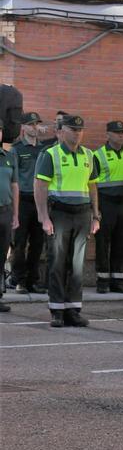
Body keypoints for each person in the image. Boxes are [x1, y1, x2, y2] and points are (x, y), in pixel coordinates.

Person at [34, 114, 100, 328]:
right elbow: (40, 186)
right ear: (61, 132)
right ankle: (56, 311)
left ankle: (73, 310)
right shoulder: (50, 155)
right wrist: (43, 217)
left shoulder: (89, 155)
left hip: (82, 214)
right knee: (57, 262)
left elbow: (92, 186)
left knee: (77, 265)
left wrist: (95, 214)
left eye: (80, 130)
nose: (77, 133)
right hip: (59, 214)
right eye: (72, 129)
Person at [9, 112, 51, 294]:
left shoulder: (44, 149)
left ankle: (33, 280)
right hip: (23, 200)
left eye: (37, 124)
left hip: (40, 201)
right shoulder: (16, 149)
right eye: (31, 124)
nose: (35, 127)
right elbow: (13, 179)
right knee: (19, 243)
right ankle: (18, 279)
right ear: (23, 127)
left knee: (37, 243)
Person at [93, 120, 123, 293]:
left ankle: (117, 281)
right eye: (117, 132)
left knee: (121, 241)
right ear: (108, 134)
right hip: (105, 201)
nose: (121, 135)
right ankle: (102, 281)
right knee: (102, 242)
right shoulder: (98, 155)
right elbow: (92, 183)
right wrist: (95, 209)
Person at [0, 118, 19, 312]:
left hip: (5, 212)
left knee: (1, 255)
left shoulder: (8, 156)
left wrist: (15, 214)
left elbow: (15, 186)